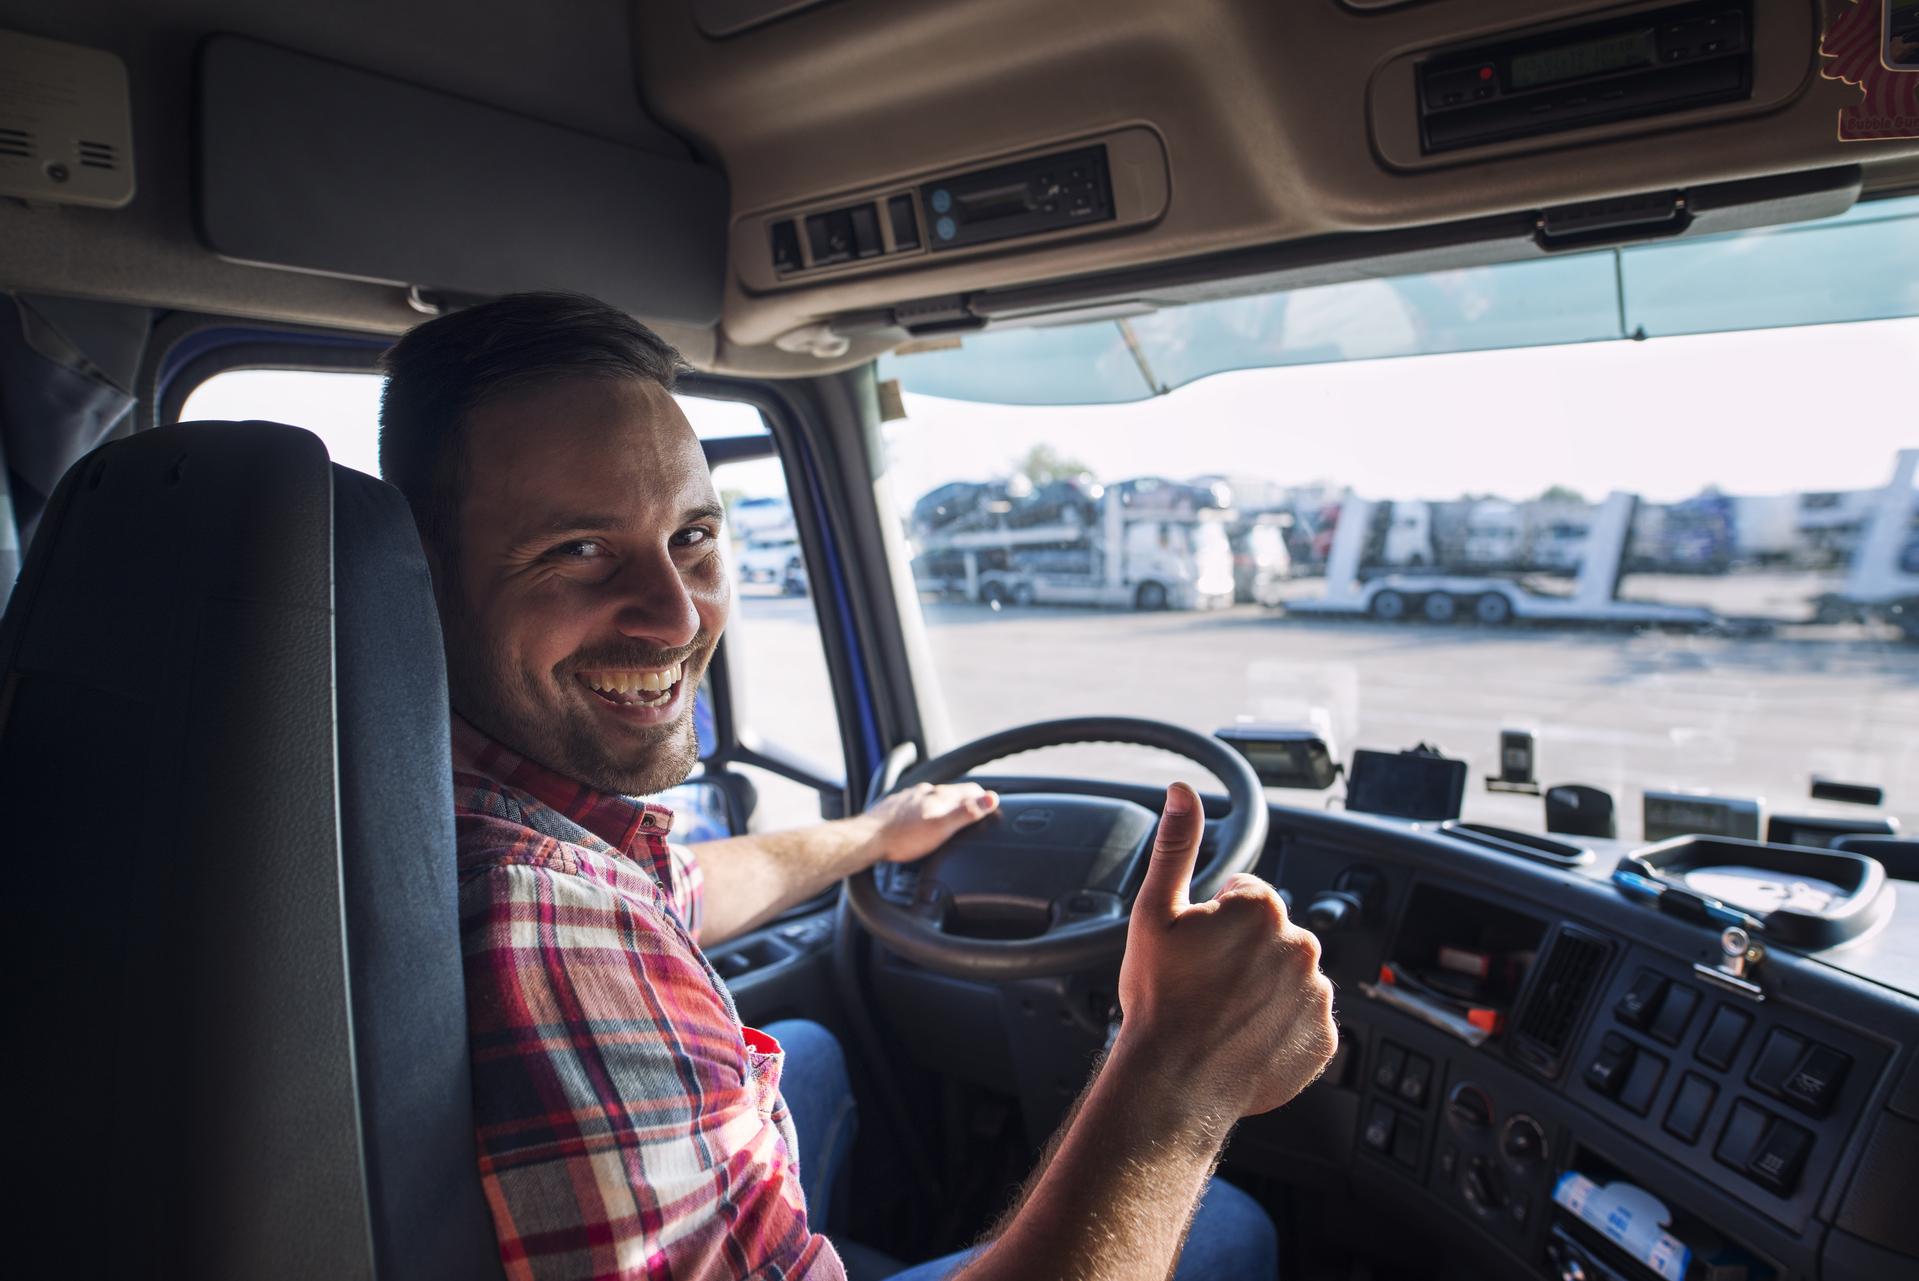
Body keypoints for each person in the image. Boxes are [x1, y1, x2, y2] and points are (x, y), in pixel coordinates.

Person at [377, 292, 1338, 1281]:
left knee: (807, 1050)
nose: (676, 616)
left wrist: (875, 835)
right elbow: (588, 920)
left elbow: (673, 888)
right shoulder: (544, 922)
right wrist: (1176, 1071)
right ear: (421, 582)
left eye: (693, 538)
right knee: (1224, 1224)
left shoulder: (436, 802)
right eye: (578, 551)